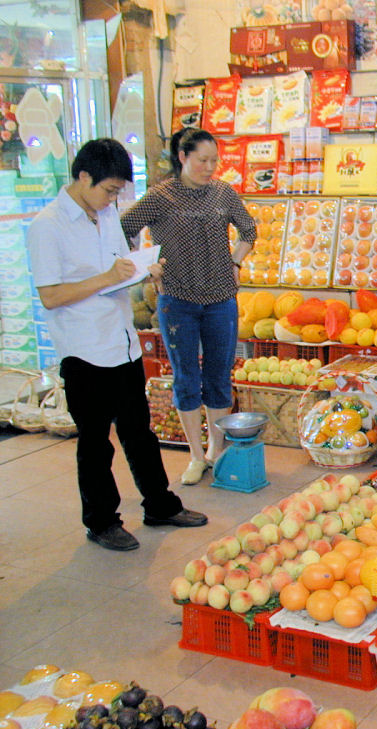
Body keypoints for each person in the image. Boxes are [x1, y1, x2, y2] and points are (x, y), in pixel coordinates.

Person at [27, 138, 208, 552]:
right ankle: (101, 520)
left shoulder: (105, 214)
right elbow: (51, 296)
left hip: (122, 342)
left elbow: (117, 266)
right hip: (83, 350)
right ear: (84, 176)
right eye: (109, 189)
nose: (112, 199)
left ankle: (160, 504)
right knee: (95, 442)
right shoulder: (48, 226)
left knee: (138, 432)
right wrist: (108, 278)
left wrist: (142, 269)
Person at [121, 128, 257, 485]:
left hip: (221, 299)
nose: (210, 167)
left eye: (214, 160)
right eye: (202, 160)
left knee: (218, 375)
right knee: (186, 377)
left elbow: (248, 230)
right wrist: (146, 266)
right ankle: (195, 456)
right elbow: (124, 228)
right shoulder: (160, 196)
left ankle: (216, 450)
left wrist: (236, 262)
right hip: (177, 300)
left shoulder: (223, 192)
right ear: (183, 157)